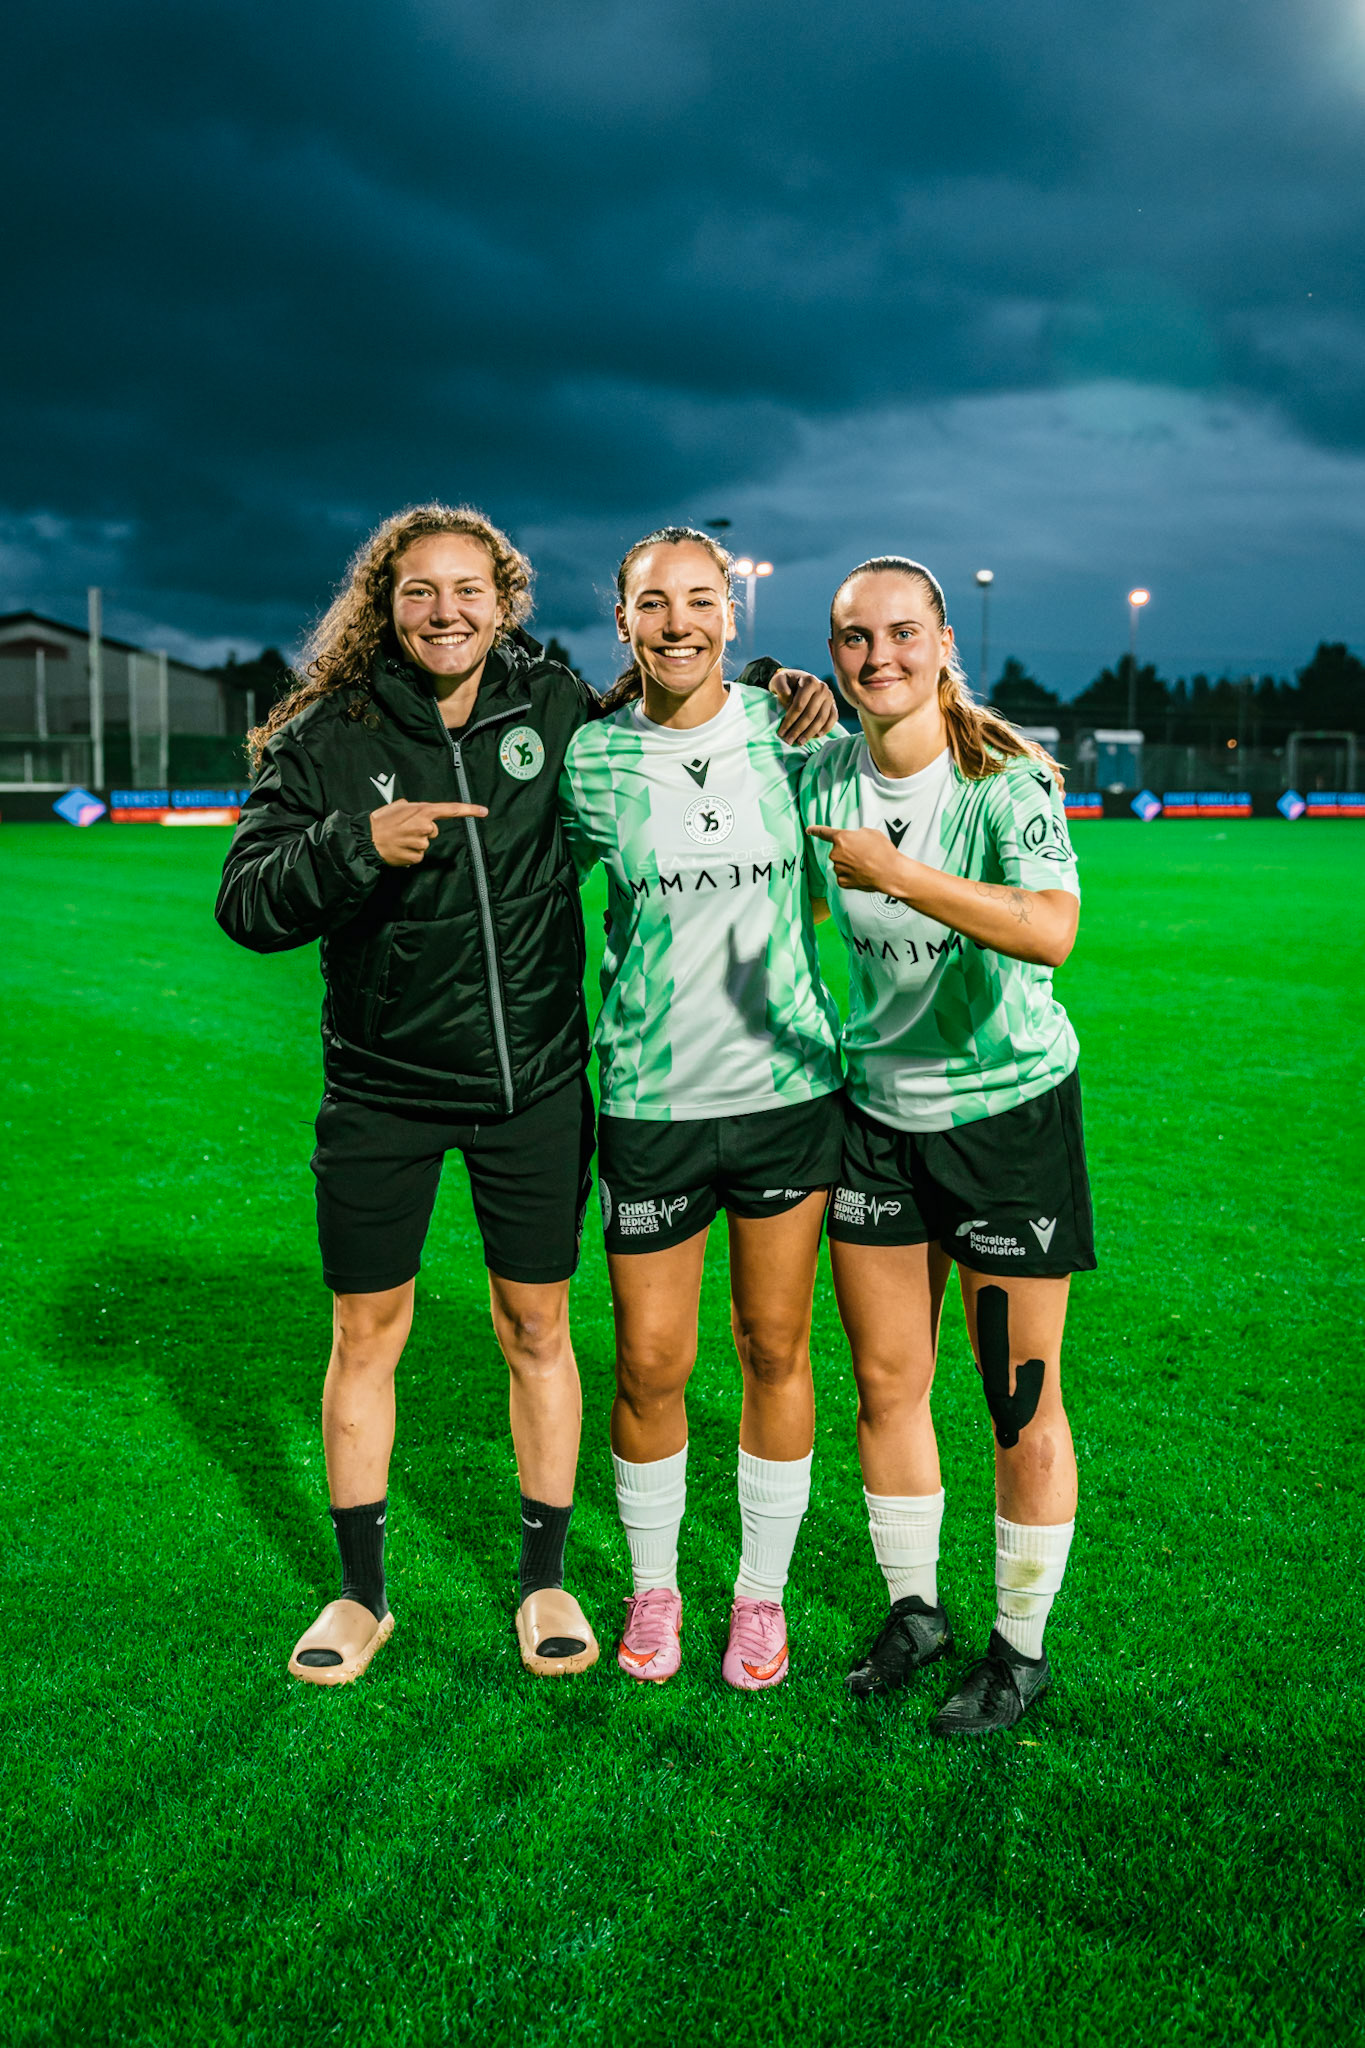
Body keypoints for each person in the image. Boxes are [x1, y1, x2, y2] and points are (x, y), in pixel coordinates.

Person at [215, 501, 835, 1688]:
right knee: (365, 1336)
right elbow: (246, 900)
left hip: (535, 1083)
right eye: (419, 590)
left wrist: (768, 678)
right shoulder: (327, 735)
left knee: (540, 1330)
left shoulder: (549, 705)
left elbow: (666, 706)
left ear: (505, 601)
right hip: (384, 1089)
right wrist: (356, 843)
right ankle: (360, 1595)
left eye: (469, 589)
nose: (445, 611)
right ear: (384, 605)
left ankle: (545, 1580)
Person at [801, 555, 1093, 1737]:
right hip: (876, 1119)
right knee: (886, 1384)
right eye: (854, 638)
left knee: (1018, 1401)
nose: (880, 656)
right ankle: (914, 1611)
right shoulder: (823, 772)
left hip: (1005, 1115)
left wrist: (899, 874)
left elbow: (1053, 929)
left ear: (942, 643)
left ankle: (1019, 1649)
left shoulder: (1004, 782)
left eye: (902, 633)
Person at [558, 527, 844, 1691]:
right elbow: (522, 896)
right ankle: (655, 1587)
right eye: (653, 603)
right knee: (648, 1361)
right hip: (651, 1098)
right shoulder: (590, 760)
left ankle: (759, 1599)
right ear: (623, 620)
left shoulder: (795, 732)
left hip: (787, 1094)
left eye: (698, 601)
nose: (677, 622)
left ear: (731, 614)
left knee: (775, 1346)